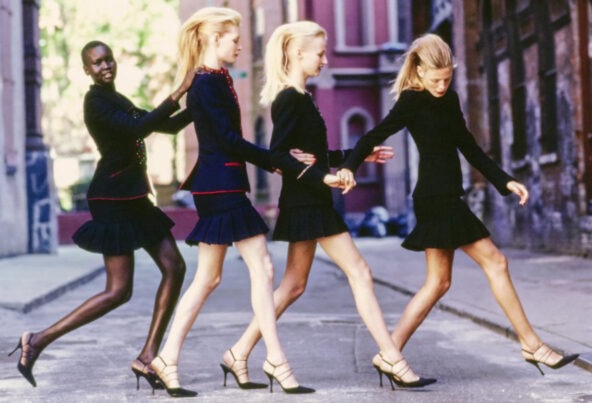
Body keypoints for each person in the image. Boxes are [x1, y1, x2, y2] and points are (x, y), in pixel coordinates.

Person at [336, 33, 579, 377]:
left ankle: (390, 353)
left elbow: (468, 145)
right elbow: (371, 136)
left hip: (447, 195)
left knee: (438, 284)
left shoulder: (449, 100)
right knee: (496, 261)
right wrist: (349, 165)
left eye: (447, 79)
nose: (441, 86)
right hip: (436, 198)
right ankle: (532, 344)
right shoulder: (411, 100)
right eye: (435, 80)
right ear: (418, 73)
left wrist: (504, 180)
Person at [223, 21, 436, 392]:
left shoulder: (302, 97)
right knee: (359, 271)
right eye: (319, 53)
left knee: (292, 286)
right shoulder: (289, 99)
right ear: (297, 54)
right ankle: (390, 354)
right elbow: (277, 157)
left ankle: (238, 352)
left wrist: (360, 156)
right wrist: (321, 176)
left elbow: (312, 154)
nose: (324, 59)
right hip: (308, 200)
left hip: (310, 198)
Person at [9, 41, 196, 391]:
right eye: (97, 63)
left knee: (175, 266)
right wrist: (181, 90)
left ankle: (147, 356)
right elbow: (138, 129)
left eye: (108, 58)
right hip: (112, 199)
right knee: (118, 290)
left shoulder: (118, 99)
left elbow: (164, 126)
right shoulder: (94, 102)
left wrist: (199, 103)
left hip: (135, 198)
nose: (105, 66)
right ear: (87, 70)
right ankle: (37, 340)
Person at [149, 7, 316, 397]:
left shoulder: (214, 80)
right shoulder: (207, 83)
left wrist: (275, 161)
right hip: (220, 183)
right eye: (235, 39)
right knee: (263, 266)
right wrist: (279, 161)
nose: (241, 45)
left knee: (209, 278)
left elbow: (195, 128)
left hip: (219, 183)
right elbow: (226, 140)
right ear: (213, 38)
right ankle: (273, 357)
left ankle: (168, 358)